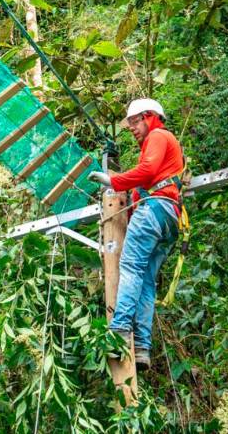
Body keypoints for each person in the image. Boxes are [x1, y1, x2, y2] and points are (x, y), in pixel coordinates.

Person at [88, 98, 183, 369]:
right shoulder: (167, 149)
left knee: (130, 268)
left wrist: (113, 181)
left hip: (154, 210)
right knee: (146, 282)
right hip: (168, 218)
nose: (131, 128)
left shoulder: (158, 136)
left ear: (149, 116)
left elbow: (147, 170)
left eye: (134, 121)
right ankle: (141, 347)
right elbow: (150, 178)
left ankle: (118, 332)